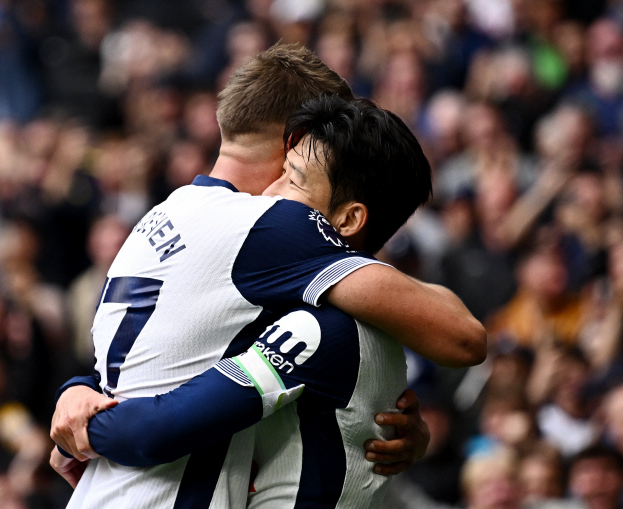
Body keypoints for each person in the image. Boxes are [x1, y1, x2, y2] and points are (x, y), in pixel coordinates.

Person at [51, 43, 485, 508]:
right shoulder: (273, 226)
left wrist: (73, 403)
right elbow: (461, 337)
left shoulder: (163, 214)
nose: (282, 187)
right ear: (294, 140)